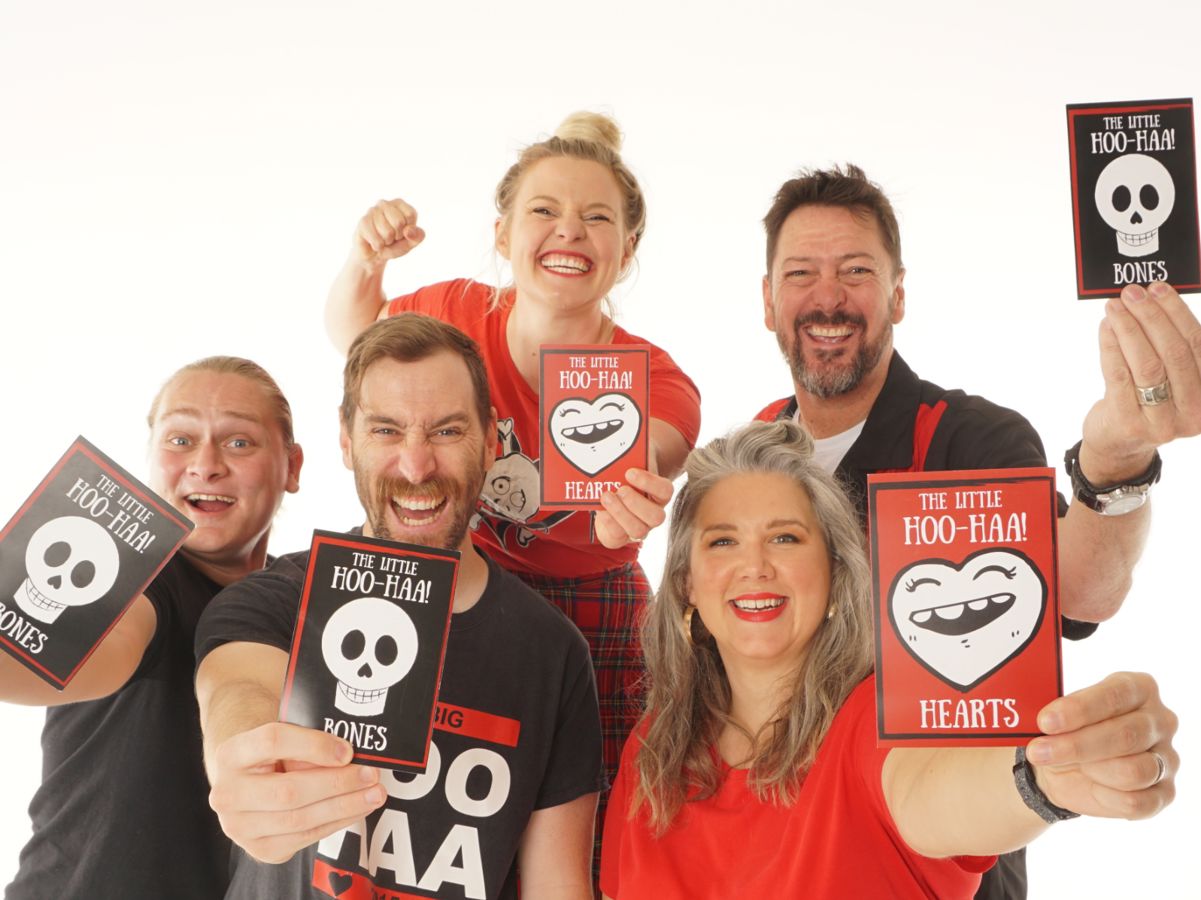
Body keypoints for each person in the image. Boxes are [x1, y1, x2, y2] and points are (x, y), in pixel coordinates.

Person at [753, 165, 1201, 897]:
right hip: (786, 846)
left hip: (946, 848)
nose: (827, 297)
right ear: (768, 300)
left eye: (856, 270)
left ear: (898, 294)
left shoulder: (971, 439)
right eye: (800, 273)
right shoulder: (750, 452)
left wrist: (1113, 460)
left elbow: (1077, 592)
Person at [600, 420, 1179, 900]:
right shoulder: (653, 751)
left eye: (786, 538)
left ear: (836, 577)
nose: (755, 566)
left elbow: (935, 794)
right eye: (723, 541)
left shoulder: (880, 721)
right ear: (687, 584)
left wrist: (1045, 779)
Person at [323, 111, 701, 839]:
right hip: (459, 577)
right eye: (544, 211)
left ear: (627, 249)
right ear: (502, 235)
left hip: (591, 605)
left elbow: (656, 450)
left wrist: (631, 497)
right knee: (432, 808)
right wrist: (365, 260)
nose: (570, 231)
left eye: (597, 218)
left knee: (596, 821)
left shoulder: (655, 378)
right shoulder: (452, 314)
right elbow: (353, 332)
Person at [196, 314, 602, 900]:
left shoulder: (553, 651)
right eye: (386, 431)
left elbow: (557, 886)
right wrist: (247, 765)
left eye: (447, 431)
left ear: (491, 440)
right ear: (346, 441)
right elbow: (237, 689)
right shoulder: (271, 600)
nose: (416, 467)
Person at [2, 356, 303, 899]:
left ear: (293, 467)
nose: (205, 465)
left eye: (238, 442)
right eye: (180, 440)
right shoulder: (135, 586)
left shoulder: (290, 604)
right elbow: (93, 649)